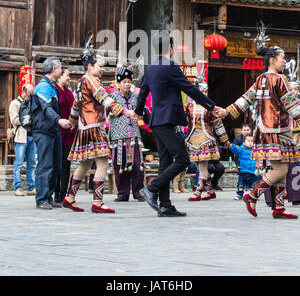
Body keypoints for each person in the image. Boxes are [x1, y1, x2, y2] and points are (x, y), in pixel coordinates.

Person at [135, 30, 221, 217]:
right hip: (168, 121)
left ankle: (165, 205)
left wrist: (138, 112)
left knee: (165, 163)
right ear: (171, 48)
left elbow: (142, 92)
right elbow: (189, 88)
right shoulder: (170, 66)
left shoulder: (151, 68)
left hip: (157, 121)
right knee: (183, 160)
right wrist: (211, 105)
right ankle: (152, 188)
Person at [218, 45, 300, 219]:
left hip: (263, 129)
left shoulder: (260, 78)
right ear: (272, 60)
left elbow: (245, 99)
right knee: (281, 169)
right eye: (282, 57)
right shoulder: (280, 79)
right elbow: (291, 104)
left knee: (280, 168)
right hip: (278, 130)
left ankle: (278, 207)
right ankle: (253, 195)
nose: (284, 61)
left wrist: (226, 111)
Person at [62, 36, 137, 213]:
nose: (102, 69)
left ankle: (70, 197)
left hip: (83, 127)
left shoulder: (80, 82)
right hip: (95, 127)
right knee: (102, 162)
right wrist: (127, 112)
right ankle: (97, 201)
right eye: (99, 66)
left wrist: (72, 122)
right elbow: (106, 100)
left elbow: (75, 106)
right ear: (90, 67)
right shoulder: (92, 81)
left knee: (85, 164)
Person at [31, 57, 72, 210]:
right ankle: (41, 199)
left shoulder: (52, 86)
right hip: (43, 131)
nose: (61, 70)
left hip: (53, 131)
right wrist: (59, 120)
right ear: (54, 69)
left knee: (56, 166)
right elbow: (47, 108)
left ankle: (49, 197)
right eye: (60, 67)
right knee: (45, 165)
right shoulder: (42, 86)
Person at [185, 78, 228, 202]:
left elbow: (217, 123)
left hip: (205, 139)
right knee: (199, 167)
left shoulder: (210, 106)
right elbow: (181, 119)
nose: (204, 94)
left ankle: (198, 192)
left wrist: (225, 140)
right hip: (192, 139)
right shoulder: (188, 106)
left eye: (206, 92)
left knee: (203, 168)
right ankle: (210, 191)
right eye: (201, 91)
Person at [109, 66, 145, 202]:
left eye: (129, 81)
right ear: (118, 83)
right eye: (124, 82)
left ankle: (138, 192)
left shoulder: (136, 97)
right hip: (118, 136)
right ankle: (122, 193)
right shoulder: (111, 98)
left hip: (134, 135)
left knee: (137, 164)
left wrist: (142, 116)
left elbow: (144, 112)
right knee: (120, 165)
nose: (127, 84)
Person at [54, 67, 77, 203]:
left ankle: (63, 195)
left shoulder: (69, 92)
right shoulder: (54, 90)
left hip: (69, 133)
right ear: (60, 76)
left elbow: (75, 109)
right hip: (57, 131)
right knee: (56, 165)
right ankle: (56, 193)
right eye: (67, 75)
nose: (69, 78)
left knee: (66, 165)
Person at [9, 83, 35, 196]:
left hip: (32, 135)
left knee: (31, 164)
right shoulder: (15, 103)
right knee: (19, 163)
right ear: (24, 92)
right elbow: (14, 120)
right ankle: (18, 187)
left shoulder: (32, 103)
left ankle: (31, 187)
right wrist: (26, 119)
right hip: (21, 136)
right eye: (29, 93)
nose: (31, 96)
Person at [226, 135, 258, 200]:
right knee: (240, 184)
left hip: (252, 171)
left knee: (254, 185)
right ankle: (239, 194)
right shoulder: (241, 149)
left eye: (252, 141)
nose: (250, 143)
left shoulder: (255, 150)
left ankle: (253, 195)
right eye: (248, 141)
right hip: (243, 171)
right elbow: (236, 150)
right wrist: (231, 146)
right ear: (244, 142)